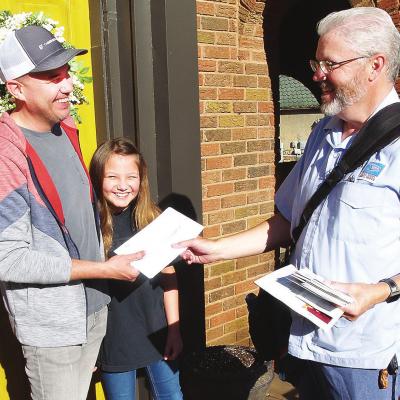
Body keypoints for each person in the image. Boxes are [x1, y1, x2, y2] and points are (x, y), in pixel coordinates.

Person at [177, 7, 400, 400]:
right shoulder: (322, 132)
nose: (317, 74)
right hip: (303, 340)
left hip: (364, 356)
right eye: (317, 62)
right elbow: (288, 221)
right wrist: (217, 249)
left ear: (375, 65)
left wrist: (379, 291)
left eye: (330, 63)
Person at [0, 26, 143, 400]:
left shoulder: (64, 129)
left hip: (93, 308)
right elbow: (8, 260)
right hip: (53, 327)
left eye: (66, 73)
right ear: (16, 88)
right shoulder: (6, 153)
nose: (66, 85)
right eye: (50, 77)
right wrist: (105, 269)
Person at [90, 138, 184, 400]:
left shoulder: (152, 219)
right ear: (98, 177)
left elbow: (168, 278)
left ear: (141, 179)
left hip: (158, 333)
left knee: (172, 396)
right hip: (113, 338)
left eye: (131, 176)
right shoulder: (90, 225)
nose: (122, 185)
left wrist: (175, 329)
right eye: (112, 176)